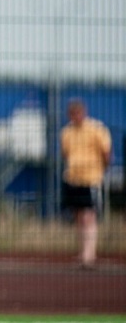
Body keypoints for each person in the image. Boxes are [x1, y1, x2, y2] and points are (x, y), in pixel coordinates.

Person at [60, 99, 112, 268]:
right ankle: (83, 252)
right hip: (72, 178)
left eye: (78, 113)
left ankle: (89, 256)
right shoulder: (66, 132)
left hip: (91, 179)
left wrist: (101, 170)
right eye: (72, 114)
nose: (75, 117)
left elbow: (106, 152)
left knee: (89, 216)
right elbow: (65, 154)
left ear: (84, 112)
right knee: (78, 216)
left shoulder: (96, 129)